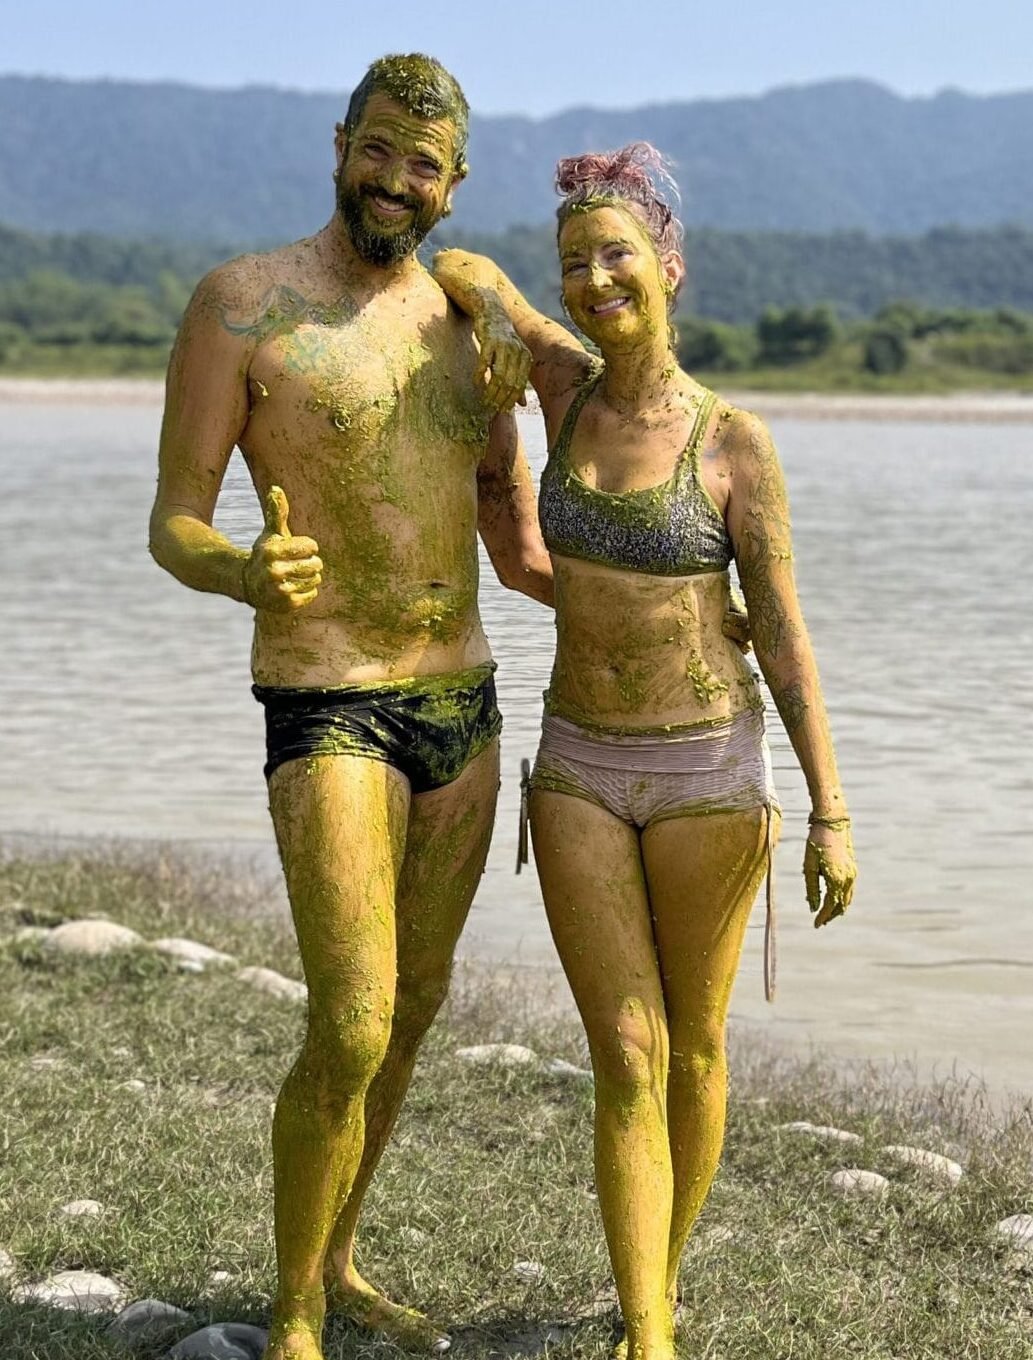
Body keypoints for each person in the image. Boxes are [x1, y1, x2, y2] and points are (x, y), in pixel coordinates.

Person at [149, 54, 549, 1360]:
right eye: (376, 149)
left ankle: (339, 1256)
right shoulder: (243, 305)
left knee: (415, 1007)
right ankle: (294, 1313)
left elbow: (518, 546)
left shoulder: (470, 326)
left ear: (454, 183)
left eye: (420, 163)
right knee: (355, 1017)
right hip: (327, 701)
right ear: (339, 145)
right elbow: (174, 520)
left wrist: (673, 611)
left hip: (464, 702)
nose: (393, 179)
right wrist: (242, 569)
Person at [434, 143, 857, 1360]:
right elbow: (464, 268)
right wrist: (497, 335)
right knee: (625, 1050)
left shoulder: (734, 442)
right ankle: (649, 1329)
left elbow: (782, 631)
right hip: (578, 761)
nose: (593, 278)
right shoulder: (560, 386)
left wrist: (830, 811)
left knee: (696, 1045)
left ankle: (655, 1283)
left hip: (708, 771)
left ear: (668, 265)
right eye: (574, 261)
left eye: (616, 254)